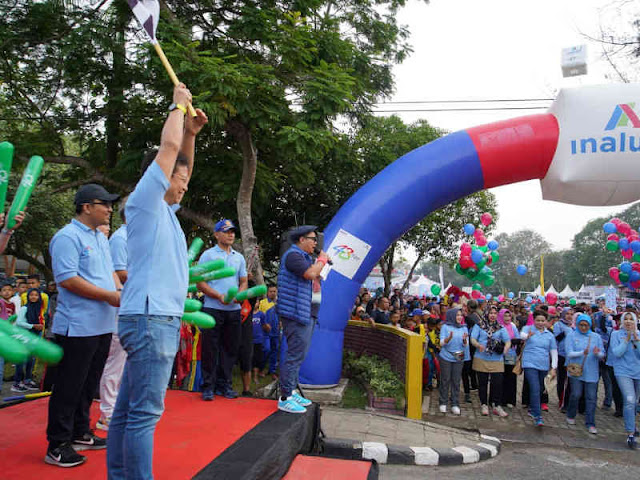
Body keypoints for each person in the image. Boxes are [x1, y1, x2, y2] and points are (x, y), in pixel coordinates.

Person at [107, 84, 208, 478]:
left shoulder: (164, 210)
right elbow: (168, 153)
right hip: (152, 320)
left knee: (129, 412)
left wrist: (191, 136)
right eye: (177, 178)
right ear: (159, 176)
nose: (183, 183)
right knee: (144, 416)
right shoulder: (145, 201)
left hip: (148, 318)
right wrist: (177, 107)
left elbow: (181, 160)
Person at [45, 183, 122, 468]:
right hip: (77, 326)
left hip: (102, 324)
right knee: (68, 385)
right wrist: (109, 296)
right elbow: (68, 280)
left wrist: (120, 294)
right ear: (86, 207)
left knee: (89, 385)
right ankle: (57, 443)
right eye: (105, 204)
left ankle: (80, 432)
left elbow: (110, 273)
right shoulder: (67, 237)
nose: (110, 209)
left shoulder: (100, 238)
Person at [276, 225, 328, 413]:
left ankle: (291, 390)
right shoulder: (293, 256)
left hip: (306, 312)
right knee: (295, 355)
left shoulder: (305, 257)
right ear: (301, 240)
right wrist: (322, 259)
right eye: (312, 239)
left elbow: (314, 277)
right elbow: (310, 274)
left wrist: (320, 265)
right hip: (296, 313)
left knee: (299, 356)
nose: (315, 243)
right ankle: (284, 397)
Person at [196, 219, 248, 401]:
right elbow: (199, 281)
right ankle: (208, 386)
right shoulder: (208, 255)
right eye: (226, 231)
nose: (231, 235)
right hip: (212, 308)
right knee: (210, 348)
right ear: (216, 234)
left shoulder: (238, 257)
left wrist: (239, 296)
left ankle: (224, 384)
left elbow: (243, 281)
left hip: (233, 309)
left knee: (230, 348)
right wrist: (218, 296)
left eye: (232, 231)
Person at [97, 200, 128, 431]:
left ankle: (117, 407)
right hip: (119, 307)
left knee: (123, 361)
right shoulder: (121, 238)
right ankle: (107, 412)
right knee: (115, 361)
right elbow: (119, 273)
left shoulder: (138, 236)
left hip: (131, 306)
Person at [564, 314, 604, 434]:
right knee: (576, 394)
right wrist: (582, 352)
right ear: (577, 324)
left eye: (586, 325)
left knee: (591, 397)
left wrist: (598, 354)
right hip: (576, 370)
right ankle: (571, 414)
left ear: (590, 325)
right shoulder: (571, 335)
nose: (583, 327)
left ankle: (590, 423)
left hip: (592, 372)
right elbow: (569, 353)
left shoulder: (596, 337)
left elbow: (602, 354)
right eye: (581, 325)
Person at [471, 306, 511, 417]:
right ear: (486, 314)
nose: (493, 315)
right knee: (482, 383)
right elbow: (472, 338)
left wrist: (506, 348)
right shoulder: (479, 326)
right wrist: (478, 345)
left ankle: (496, 405)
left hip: (496, 359)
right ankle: (484, 404)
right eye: (490, 313)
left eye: (495, 313)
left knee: (497, 383)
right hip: (481, 357)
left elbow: (507, 341)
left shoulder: (500, 327)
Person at [520, 310, 558, 427]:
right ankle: (537, 416)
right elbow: (521, 335)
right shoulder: (528, 328)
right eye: (538, 320)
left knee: (540, 388)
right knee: (535, 387)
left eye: (543, 321)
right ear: (534, 320)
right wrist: (528, 336)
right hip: (529, 363)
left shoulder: (550, 335)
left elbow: (553, 351)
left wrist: (554, 367)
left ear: (546, 322)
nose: (540, 323)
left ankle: (532, 408)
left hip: (543, 365)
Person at [609, 311, 640, 449]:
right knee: (629, 400)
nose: (628, 322)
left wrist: (636, 340)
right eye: (626, 319)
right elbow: (617, 353)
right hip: (622, 371)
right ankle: (630, 434)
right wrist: (626, 340)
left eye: (631, 319)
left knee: (635, 402)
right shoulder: (616, 334)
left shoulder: (639, 335)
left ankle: (632, 424)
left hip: (638, 372)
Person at [438, 308, 470, 415]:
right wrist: (448, 338)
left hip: (459, 355)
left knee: (456, 381)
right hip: (446, 355)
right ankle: (443, 402)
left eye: (461, 315)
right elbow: (441, 343)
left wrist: (465, 340)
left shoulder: (464, 328)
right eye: (457, 315)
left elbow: (466, 344)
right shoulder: (445, 327)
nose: (459, 317)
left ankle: (455, 404)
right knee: (445, 379)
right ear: (452, 316)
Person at [13, 288, 46, 392]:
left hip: (33, 336)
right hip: (24, 336)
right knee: (21, 360)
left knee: (30, 360)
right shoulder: (25, 308)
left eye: (36, 295)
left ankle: (27, 380)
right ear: (27, 296)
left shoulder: (39, 309)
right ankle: (17, 383)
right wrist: (33, 326)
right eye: (31, 295)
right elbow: (19, 322)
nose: (33, 297)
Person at [499, 309, 521, 408]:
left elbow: (517, 339)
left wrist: (511, 342)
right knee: (501, 377)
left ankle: (510, 400)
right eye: (505, 316)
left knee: (511, 378)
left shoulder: (513, 326)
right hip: (500, 355)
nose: (507, 318)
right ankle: (501, 399)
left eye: (509, 316)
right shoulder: (498, 326)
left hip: (511, 355)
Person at [554, 307, 574, 411]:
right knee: (561, 379)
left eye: (571, 314)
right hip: (561, 355)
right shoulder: (558, 324)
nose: (569, 316)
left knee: (570, 380)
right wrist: (565, 332)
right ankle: (561, 400)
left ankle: (568, 400)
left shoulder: (575, 326)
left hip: (571, 356)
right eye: (567, 314)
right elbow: (556, 338)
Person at [462, 299, 480, 403]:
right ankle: (474, 384)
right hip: (474, 344)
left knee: (466, 368)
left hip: (468, 345)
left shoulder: (468, 318)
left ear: (468, 307)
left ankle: (470, 387)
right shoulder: (478, 316)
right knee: (471, 367)